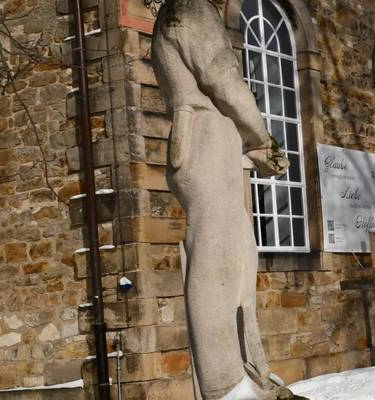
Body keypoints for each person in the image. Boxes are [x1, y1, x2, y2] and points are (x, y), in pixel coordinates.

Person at [151, 1, 301, 398]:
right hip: (204, 136)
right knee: (215, 255)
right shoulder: (190, 7)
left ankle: (246, 370)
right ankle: (224, 383)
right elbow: (222, 76)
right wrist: (261, 137)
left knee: (236, 254)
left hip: (211, 139)